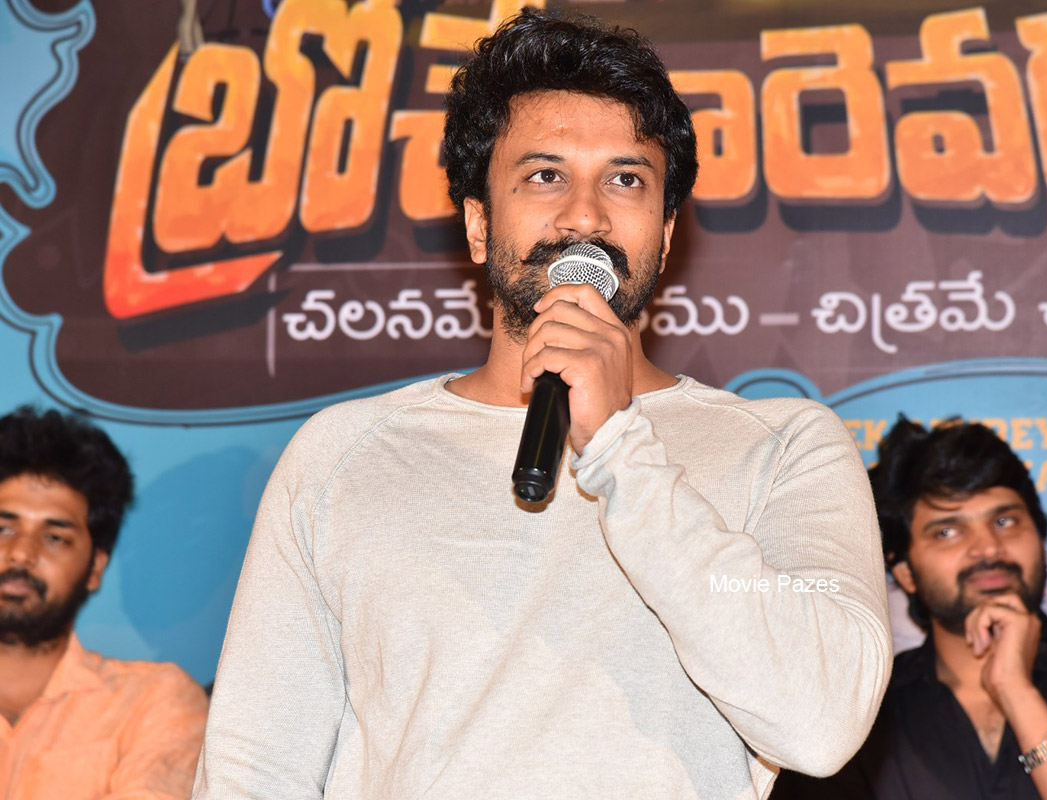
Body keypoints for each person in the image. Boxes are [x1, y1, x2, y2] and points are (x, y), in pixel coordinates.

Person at [193, 9, 890, 799]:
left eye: (625, 179)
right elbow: (255, 770)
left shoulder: (783, 448)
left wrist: (621, 446)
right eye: (545, 176)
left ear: (666, 232)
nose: (585, 216)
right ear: (479, 223)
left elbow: (822, 722)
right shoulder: (344, 455)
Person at [772, 416, 1047, 800]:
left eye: (1004, 521)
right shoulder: (858, 717)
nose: (988, 548)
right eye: (947, 531)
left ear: (1040, 538)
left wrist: (1017, 692)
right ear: (904, 572)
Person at [0, 406, 209, 799]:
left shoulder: (153, 701)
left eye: (54, 537)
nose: (21, 554)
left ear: (95, 567)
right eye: (3, 528)